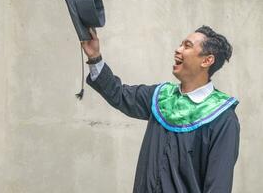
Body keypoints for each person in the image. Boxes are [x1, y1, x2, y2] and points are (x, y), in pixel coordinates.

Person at [81, 26, 240, 193]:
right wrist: (94, 57)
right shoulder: (161, 97)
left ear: (207, 60)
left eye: (187, 46)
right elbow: (118, 93)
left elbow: (218, 187)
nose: (177, 50)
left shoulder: (222, 117)